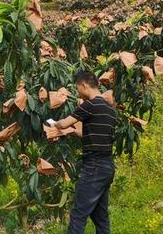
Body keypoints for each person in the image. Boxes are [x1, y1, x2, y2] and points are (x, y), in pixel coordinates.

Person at [54, 70, 117, 234]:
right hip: (107, 167)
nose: (78, 92)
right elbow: (89, 132)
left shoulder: (90, 105)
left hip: (93, 167)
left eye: (77, 88)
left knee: (78, 215)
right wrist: (74, 132)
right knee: (100, 217)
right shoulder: (110, 110)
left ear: (83, 85)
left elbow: (64, 123)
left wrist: (54, 124)